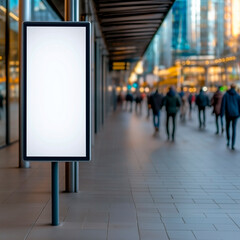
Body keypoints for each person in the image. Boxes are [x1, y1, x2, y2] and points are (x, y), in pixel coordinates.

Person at [221, 84, 240, 150]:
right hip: (235, 114)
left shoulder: (226, 94)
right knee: (234, 129)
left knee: (227, 127)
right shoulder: (237, 95)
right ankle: (233, 144)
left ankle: (228, 140)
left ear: (230, 87)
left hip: (228, 114)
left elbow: (223, 105)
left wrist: (222, 113)